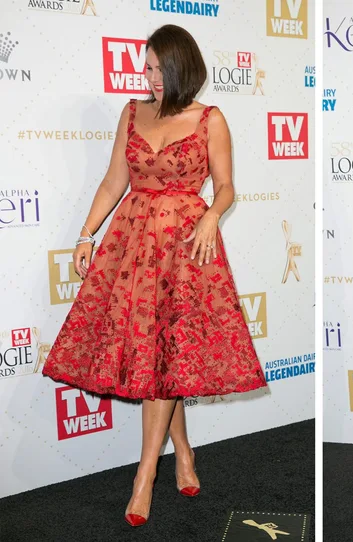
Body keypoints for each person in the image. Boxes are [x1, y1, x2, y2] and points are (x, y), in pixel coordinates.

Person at [42, 24, 267, 527]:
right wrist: (85, 235)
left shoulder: (210, 119)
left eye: (160, 68)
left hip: (186, 250)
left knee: (168, 355)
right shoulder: (132, 112)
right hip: (135, 248)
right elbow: (113, 183)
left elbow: (226, 187)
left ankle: (144, 474)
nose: (151, 77)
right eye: (146, 68)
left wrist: (211, 215)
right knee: (157, 359)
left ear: (183, 67)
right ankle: (182, 450)